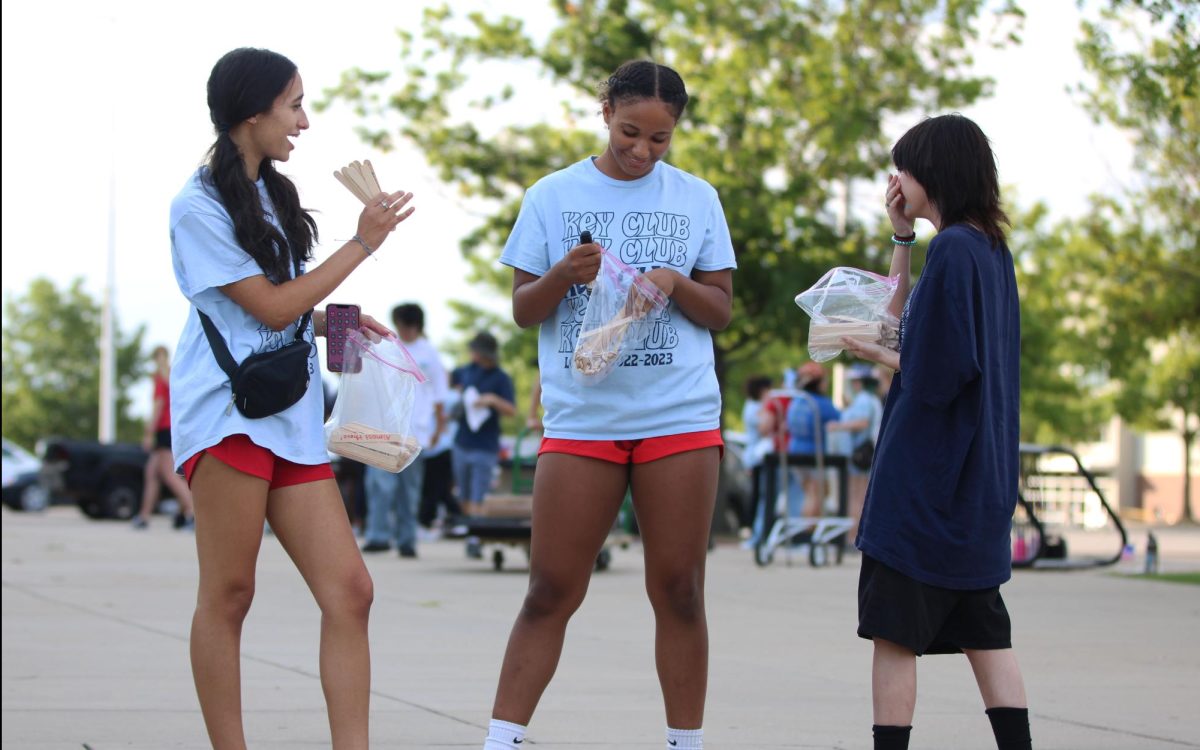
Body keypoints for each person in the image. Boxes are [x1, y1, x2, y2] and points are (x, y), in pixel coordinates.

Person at [485, 59, 736, 750]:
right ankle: (500, 740)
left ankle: (685, 742)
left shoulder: (696, 198)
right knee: (550, 589)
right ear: (605, 112)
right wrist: (565, 271)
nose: (642, 151)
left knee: (680, 590)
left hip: (678, 417)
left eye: (660, 139)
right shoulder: (552, 195)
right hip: (583, 419)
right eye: (631, 132)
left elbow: (718, 310)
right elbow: (521, 310)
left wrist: (673, 283)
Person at [168, 47, 415, 750]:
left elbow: (273, 308)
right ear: (253, 111)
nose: (304, 122)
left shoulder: (271, 195)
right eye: (295, 104)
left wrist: (337, 321)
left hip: (291, 416)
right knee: (230, 594)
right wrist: (362, 243)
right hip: (228, 416)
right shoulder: (196, 205)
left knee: (352, 592)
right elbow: (268, 311)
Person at [841, 114, 1031, 750]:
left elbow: (936, 372)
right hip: (979, 477)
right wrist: (901, 236)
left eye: (905, 169)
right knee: (985, 630)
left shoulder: (953, 250)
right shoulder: (986, 248)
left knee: (895, 632)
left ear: (934, 172)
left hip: (928, 479)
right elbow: (921, 335)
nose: (898, 181)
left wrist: (880, 358)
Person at [360, 303, 449, 558]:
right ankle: (378, 536)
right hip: (382, 426)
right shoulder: (386, 345)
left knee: (409, 488)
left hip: (415, 428)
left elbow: (439, 394)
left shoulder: (429, 353)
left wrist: (438, 428)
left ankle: (407, 539)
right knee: (379, 485)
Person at [451, 331, 516, 524]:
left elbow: (511, 410)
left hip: (485, 445)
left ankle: (477, 532)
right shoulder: (467, 371)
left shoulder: (501, 378)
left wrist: (492, 400)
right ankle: (468, 528)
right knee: (463, 492)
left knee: (480, 493)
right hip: (462, 441)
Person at [132, 345, 195, 530]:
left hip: (163, 430)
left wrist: (149, 432)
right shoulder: (173, 375)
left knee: (169, 475)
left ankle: (192, 512)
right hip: (171, 428)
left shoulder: (160, 378)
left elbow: (158, 406)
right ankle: (143, 516)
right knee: (152, 473)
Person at [826, 363, 884, 537]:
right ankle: (856, 534)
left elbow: (862, 423)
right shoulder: (870, 399)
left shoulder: (864, 400)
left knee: (856, 496)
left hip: (859, 455)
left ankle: (853, 536)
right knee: (860, 495)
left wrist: (838, 426)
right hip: (864, 454)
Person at [785, 361, 842, 518]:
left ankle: (804, 532)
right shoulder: (822, 403)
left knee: (809, 492)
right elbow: (840, 419)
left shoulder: (796, 401)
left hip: (794, 452)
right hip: (814, 455)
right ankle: (808, 535)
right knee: (817, 493)